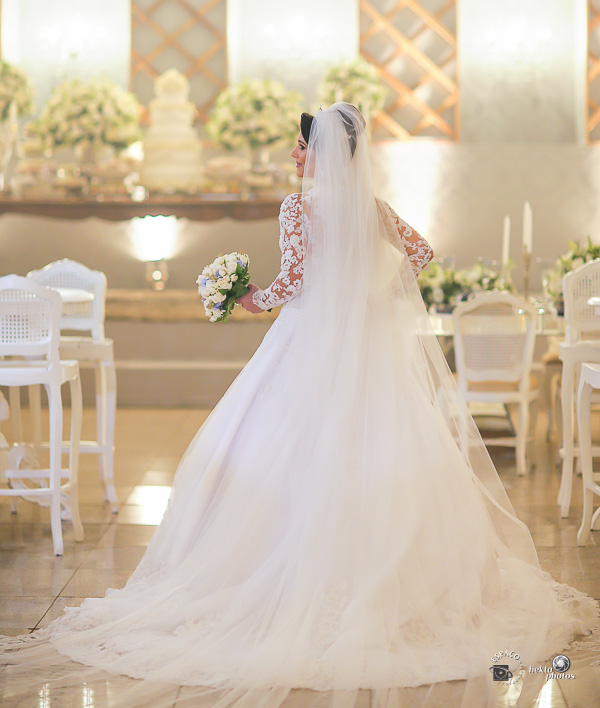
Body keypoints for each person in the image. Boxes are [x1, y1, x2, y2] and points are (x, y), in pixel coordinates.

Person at [1, 102, 599, 708]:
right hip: (365, 348)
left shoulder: (298, 208)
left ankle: (287, 580)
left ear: (325, 153)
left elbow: (292, 281)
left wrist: (251, 299)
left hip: (307, 339)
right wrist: (373, 298)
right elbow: (420, 253)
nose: (294, 154)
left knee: (277, 446)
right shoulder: (372, 208)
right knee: (378, 447)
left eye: (302, 145)